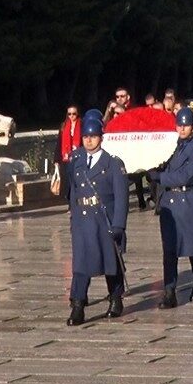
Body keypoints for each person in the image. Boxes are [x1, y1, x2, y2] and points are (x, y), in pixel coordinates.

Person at [64, 118, 129, 326]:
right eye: (85, 137)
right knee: (81, 264)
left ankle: (116, 297)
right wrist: (73, 217)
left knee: (110, 261)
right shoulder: (76, 160)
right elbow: (73, 191)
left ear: (101, 138)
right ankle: (78, 305)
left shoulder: (112, 163)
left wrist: (118, 224)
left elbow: (121, 197)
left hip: (104, 219)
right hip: (83, 219)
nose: (89, 141)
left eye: (93, 137)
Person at [153, 108, 193, 308]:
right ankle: (169, 291)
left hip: (188, 200)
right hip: (170, 201)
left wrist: (160, 178)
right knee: (169, 250)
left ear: (192, 127)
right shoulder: (169, 146)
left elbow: (186, 175)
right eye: (179, 125)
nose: (182, 128)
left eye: (186, 125)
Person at [54, 105, 81, 201]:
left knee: (77, 181)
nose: (72, 116)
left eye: (74, 114)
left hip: (78, 158)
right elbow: (59, 143)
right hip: (66, 158)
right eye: (69, 114)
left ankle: (76, 202)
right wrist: (56, 160)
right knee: (67, 183)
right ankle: (70, 204)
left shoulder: (81, 125)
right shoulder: (64, 126)